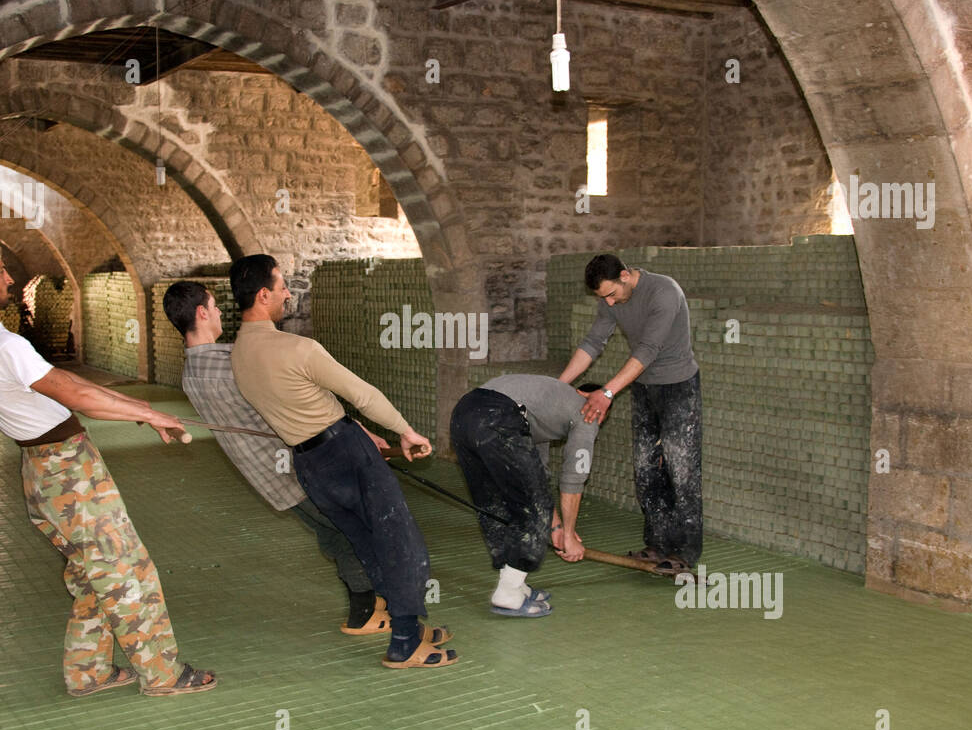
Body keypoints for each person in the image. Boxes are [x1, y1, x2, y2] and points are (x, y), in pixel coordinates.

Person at [0, 239, 217, 697]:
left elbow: (64, 381)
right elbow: (73, 397)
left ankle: (89, 672)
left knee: (90, 573)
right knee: (127, 568)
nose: (9, 279)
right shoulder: (2, 344)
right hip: (67, 471)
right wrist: (151, 415)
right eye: (1, 271)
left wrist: (138, 406)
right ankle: (163, 675)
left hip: (44, 471)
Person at [228, 255, 457, 669]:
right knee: (398, 539)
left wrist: (349, 424)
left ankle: (408, 627)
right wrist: (406, 431)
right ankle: (404, 641)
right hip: (348, 454)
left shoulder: (239, 355)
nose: (287, 293)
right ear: (263, 295)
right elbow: (363, 395)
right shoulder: (298, 347)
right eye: (281, 286)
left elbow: (302, 403)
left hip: (310, 465)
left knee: (366, 542)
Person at [162, 280, 390, 636]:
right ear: (202, 313)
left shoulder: (195, 370)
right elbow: (289, 408)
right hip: (297, 467)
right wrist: (352, 433)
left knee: (333, 534)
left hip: (271, 478)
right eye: (214, 306)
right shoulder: (228, 367)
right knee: (352, 531)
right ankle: (366, 613)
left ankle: (369, 604)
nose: (221, 311)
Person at [558, 253, 703, 578]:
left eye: (611, 294)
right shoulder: (610, 300)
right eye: (602, 298)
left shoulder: (664, 292)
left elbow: (647, 350)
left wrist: (607, 392)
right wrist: (558, 385)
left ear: (626, 275)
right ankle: (657, 545)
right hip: (644, 388)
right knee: (647, 469)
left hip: (679, 388)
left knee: (682, 470)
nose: (609, 302)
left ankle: (684, 551)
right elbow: (593, 343)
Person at [450, 374, 603, 616]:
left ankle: (513, 583)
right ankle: (508, 593)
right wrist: (570, 536)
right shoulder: (589, 413)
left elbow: (535, 479)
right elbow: (573, 479)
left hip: (464, 413)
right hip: (498, 417)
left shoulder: (545, 406)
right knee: (532, 505)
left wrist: (555, 529)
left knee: (496, 503)